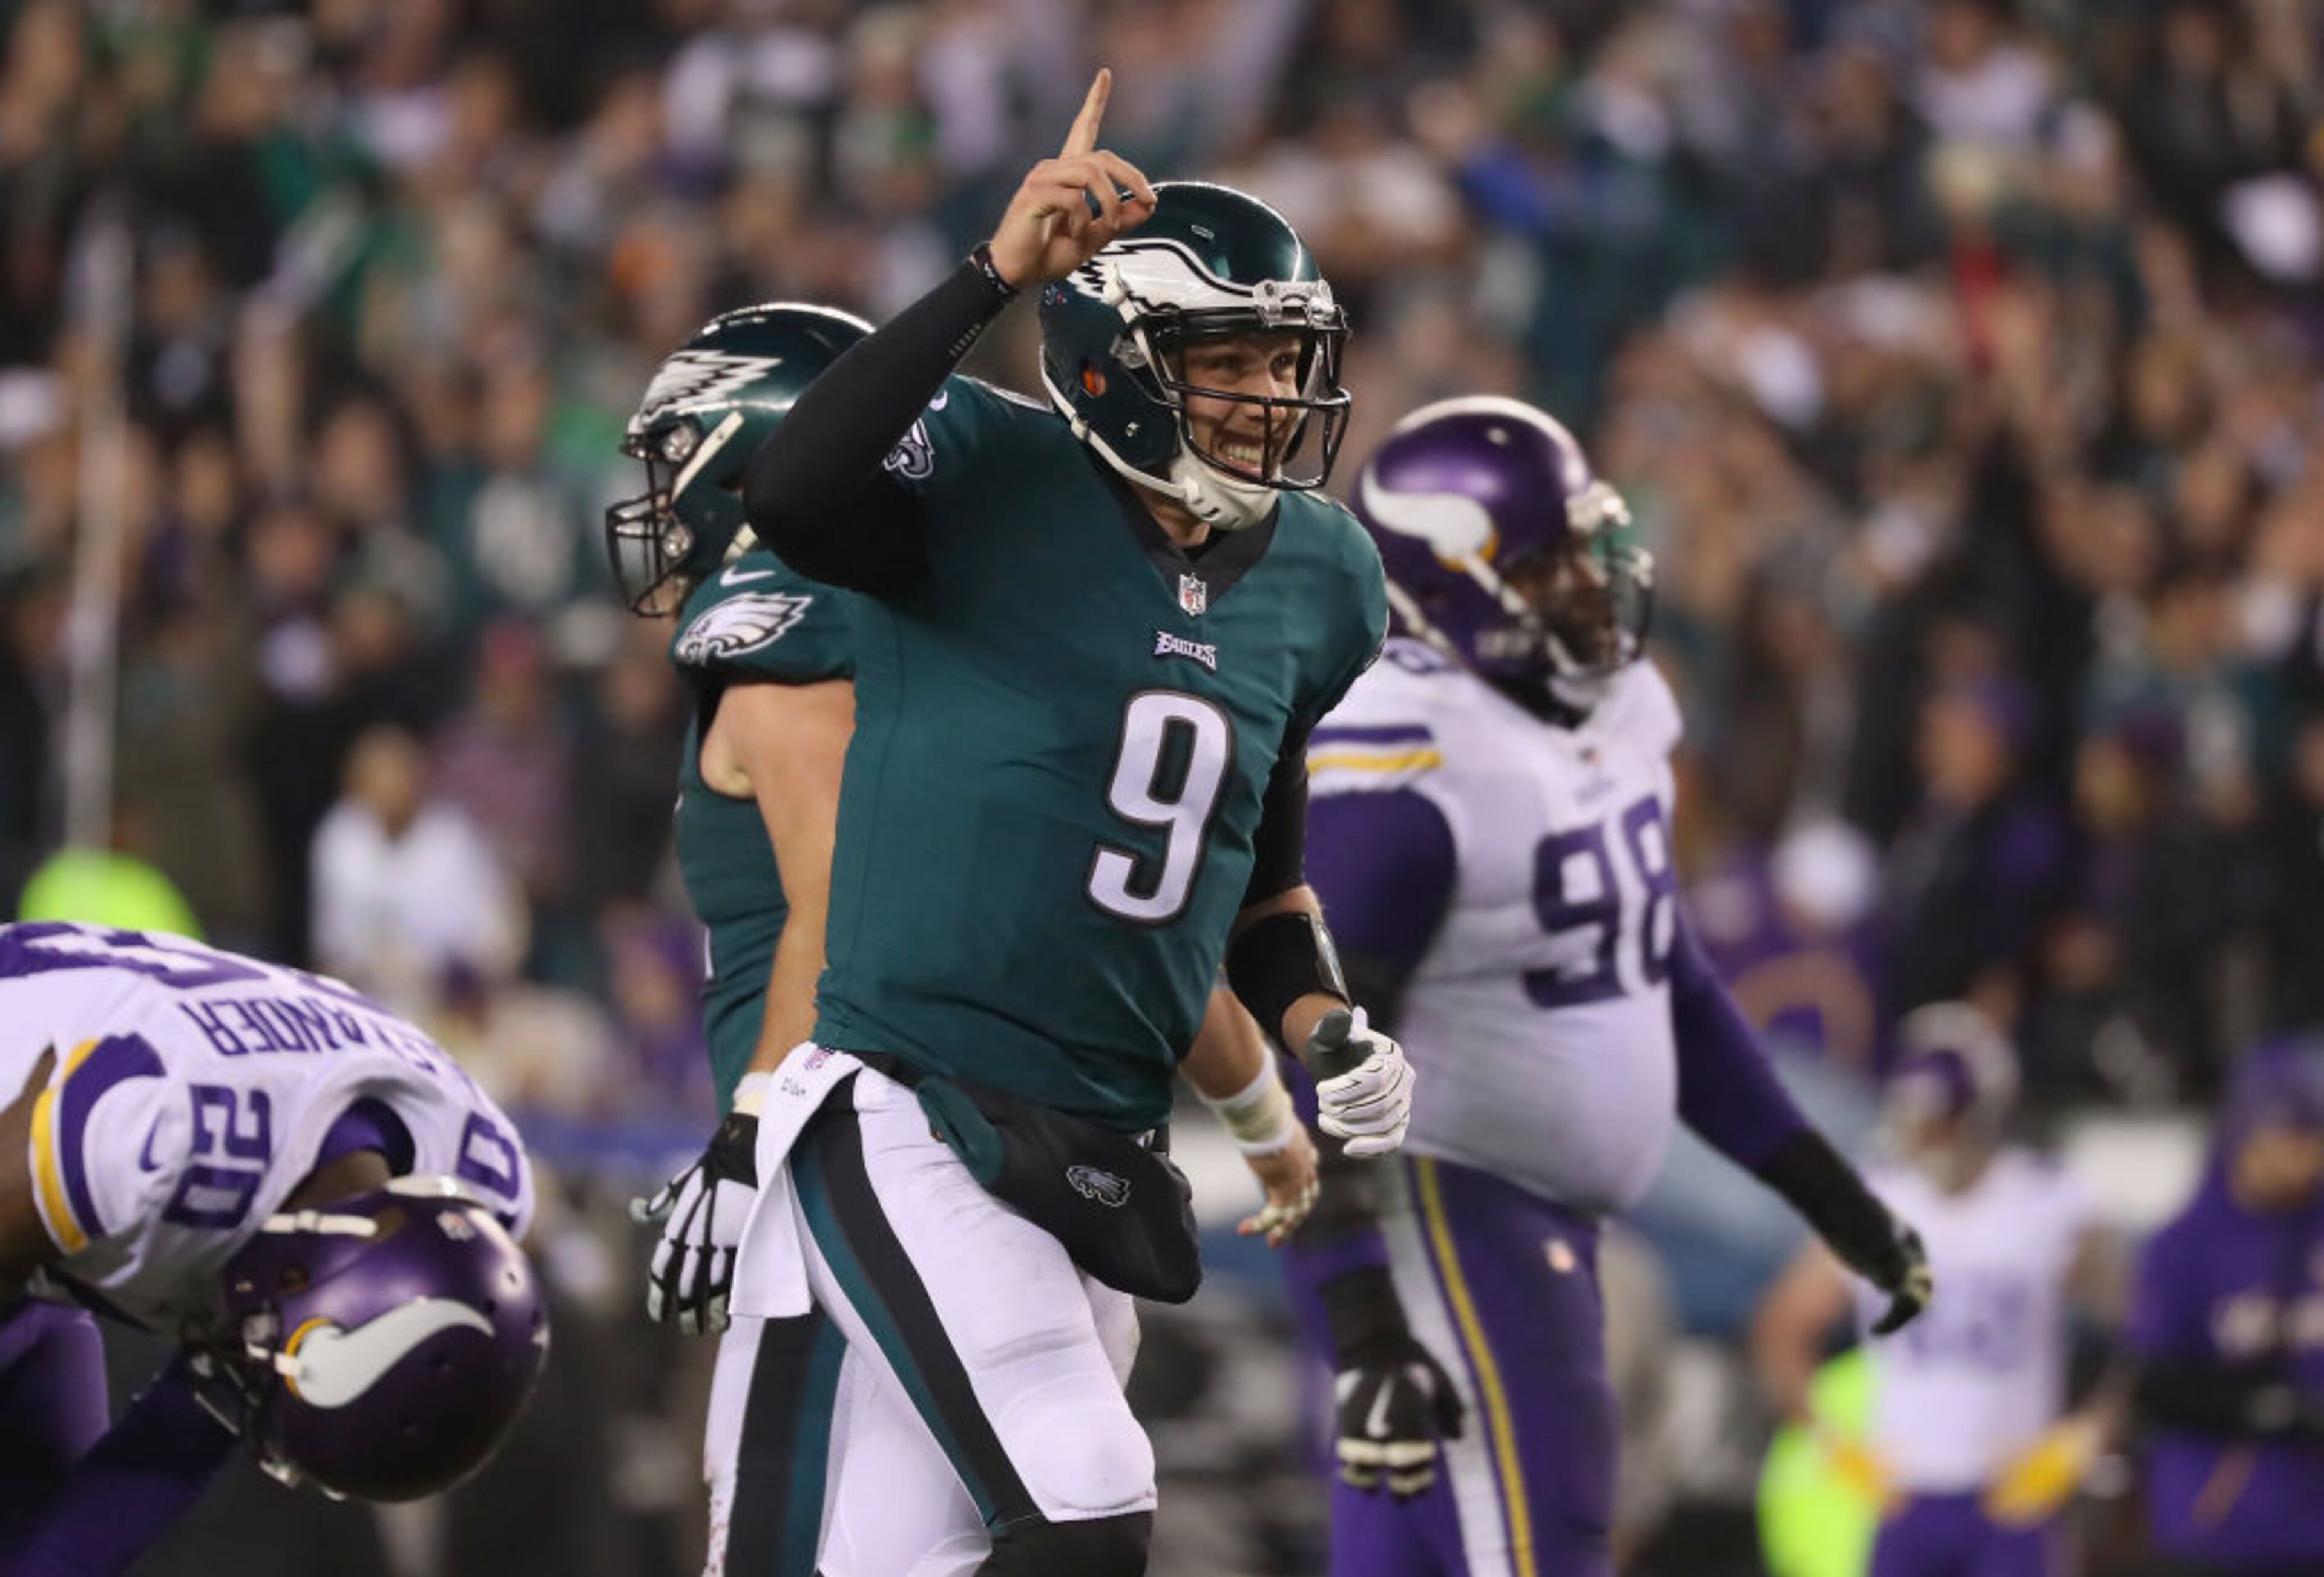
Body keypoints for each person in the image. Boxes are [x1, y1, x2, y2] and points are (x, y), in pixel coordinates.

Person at [658, 67, 1410, 1577]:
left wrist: (1323, 1026)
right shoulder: (1000, 473)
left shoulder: (1318, 576)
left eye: (1285, 364)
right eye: (1231, 364)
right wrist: (991, 273)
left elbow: (1253, 882)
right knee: (1083, 1500)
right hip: (912, 1105)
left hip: (1099, 1141)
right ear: (1118, 363)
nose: (1272, 399)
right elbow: (801, 487)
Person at [1278, 394, 1935, 1577]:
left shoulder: (1611, 711)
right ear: (1445, 583)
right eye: (1547, 559)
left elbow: (1664, 985)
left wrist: (1831, 1198)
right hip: (1457, 1213)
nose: (1591, 577)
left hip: (1539, 1215)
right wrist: (1360, 1316)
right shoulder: (1403, 772)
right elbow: (1313, 1058)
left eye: (1589, 541)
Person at [0, 919, 546, 1576]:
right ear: (297, 1273)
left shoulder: (481, 1192)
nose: (252, 1384)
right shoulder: (150, 1138)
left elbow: (195, 1416)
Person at [1757, 1002, 2118, 1577]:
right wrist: (1833, 1442)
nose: (1926, 1134)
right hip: (1905, 1489)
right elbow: (1780, 1330)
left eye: (1941, 1116)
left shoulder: (2049, 1200)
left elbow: (2142, 1328)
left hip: (2013, 1490)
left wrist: (2085, 1437)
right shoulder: (1876, 1203)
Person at [2129, 1044, 2324, 1577]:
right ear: (2246, 1139)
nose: (2304, 1157)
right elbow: (2156, 1382)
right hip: (2216, 1526)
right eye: (2288, 1140)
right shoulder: (2185, 1243)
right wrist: (2273, 1408)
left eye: (2311, 1138)